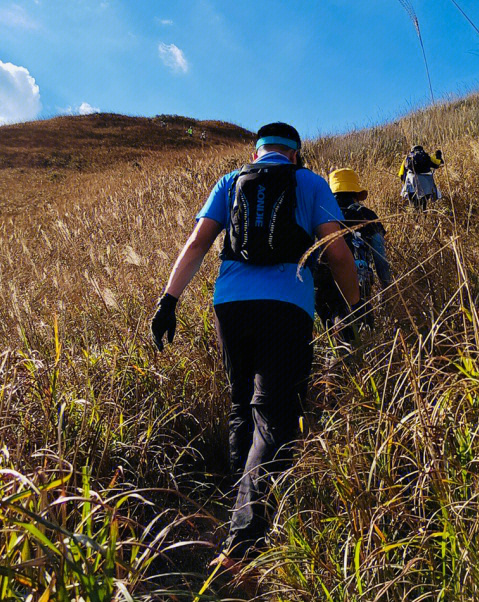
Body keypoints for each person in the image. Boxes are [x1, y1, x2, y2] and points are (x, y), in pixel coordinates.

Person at [150, 122, 362, 569]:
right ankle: (244, 541)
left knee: (240, 404)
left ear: (256, 153)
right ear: (296, 155)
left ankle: (236, 504)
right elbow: (339, 253)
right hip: (287, 306)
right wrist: (353, 308)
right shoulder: (309, 182)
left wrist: (168, 300)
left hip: (231, 304)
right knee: (275, 413)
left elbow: (198, 242)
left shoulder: (229, 182)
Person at [314, 168, 393, 346]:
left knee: (334, 327)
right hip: (357, 279)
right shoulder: (366, 215)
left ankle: (336, 361)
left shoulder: (319, 213)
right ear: (356, 193)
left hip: (321, 280)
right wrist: (386, 286)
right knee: (359, 327)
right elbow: (380, 256)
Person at [399, 145, 443, 209]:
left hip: (411, 185)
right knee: (423, 204)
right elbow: (437, 164)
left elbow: (401, 174)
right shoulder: (426, 157)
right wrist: (438, 156)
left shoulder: (407, 158)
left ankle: (415, 216)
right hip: (426, 186)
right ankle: (424, 215)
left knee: (414, 206)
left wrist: (405, 184)